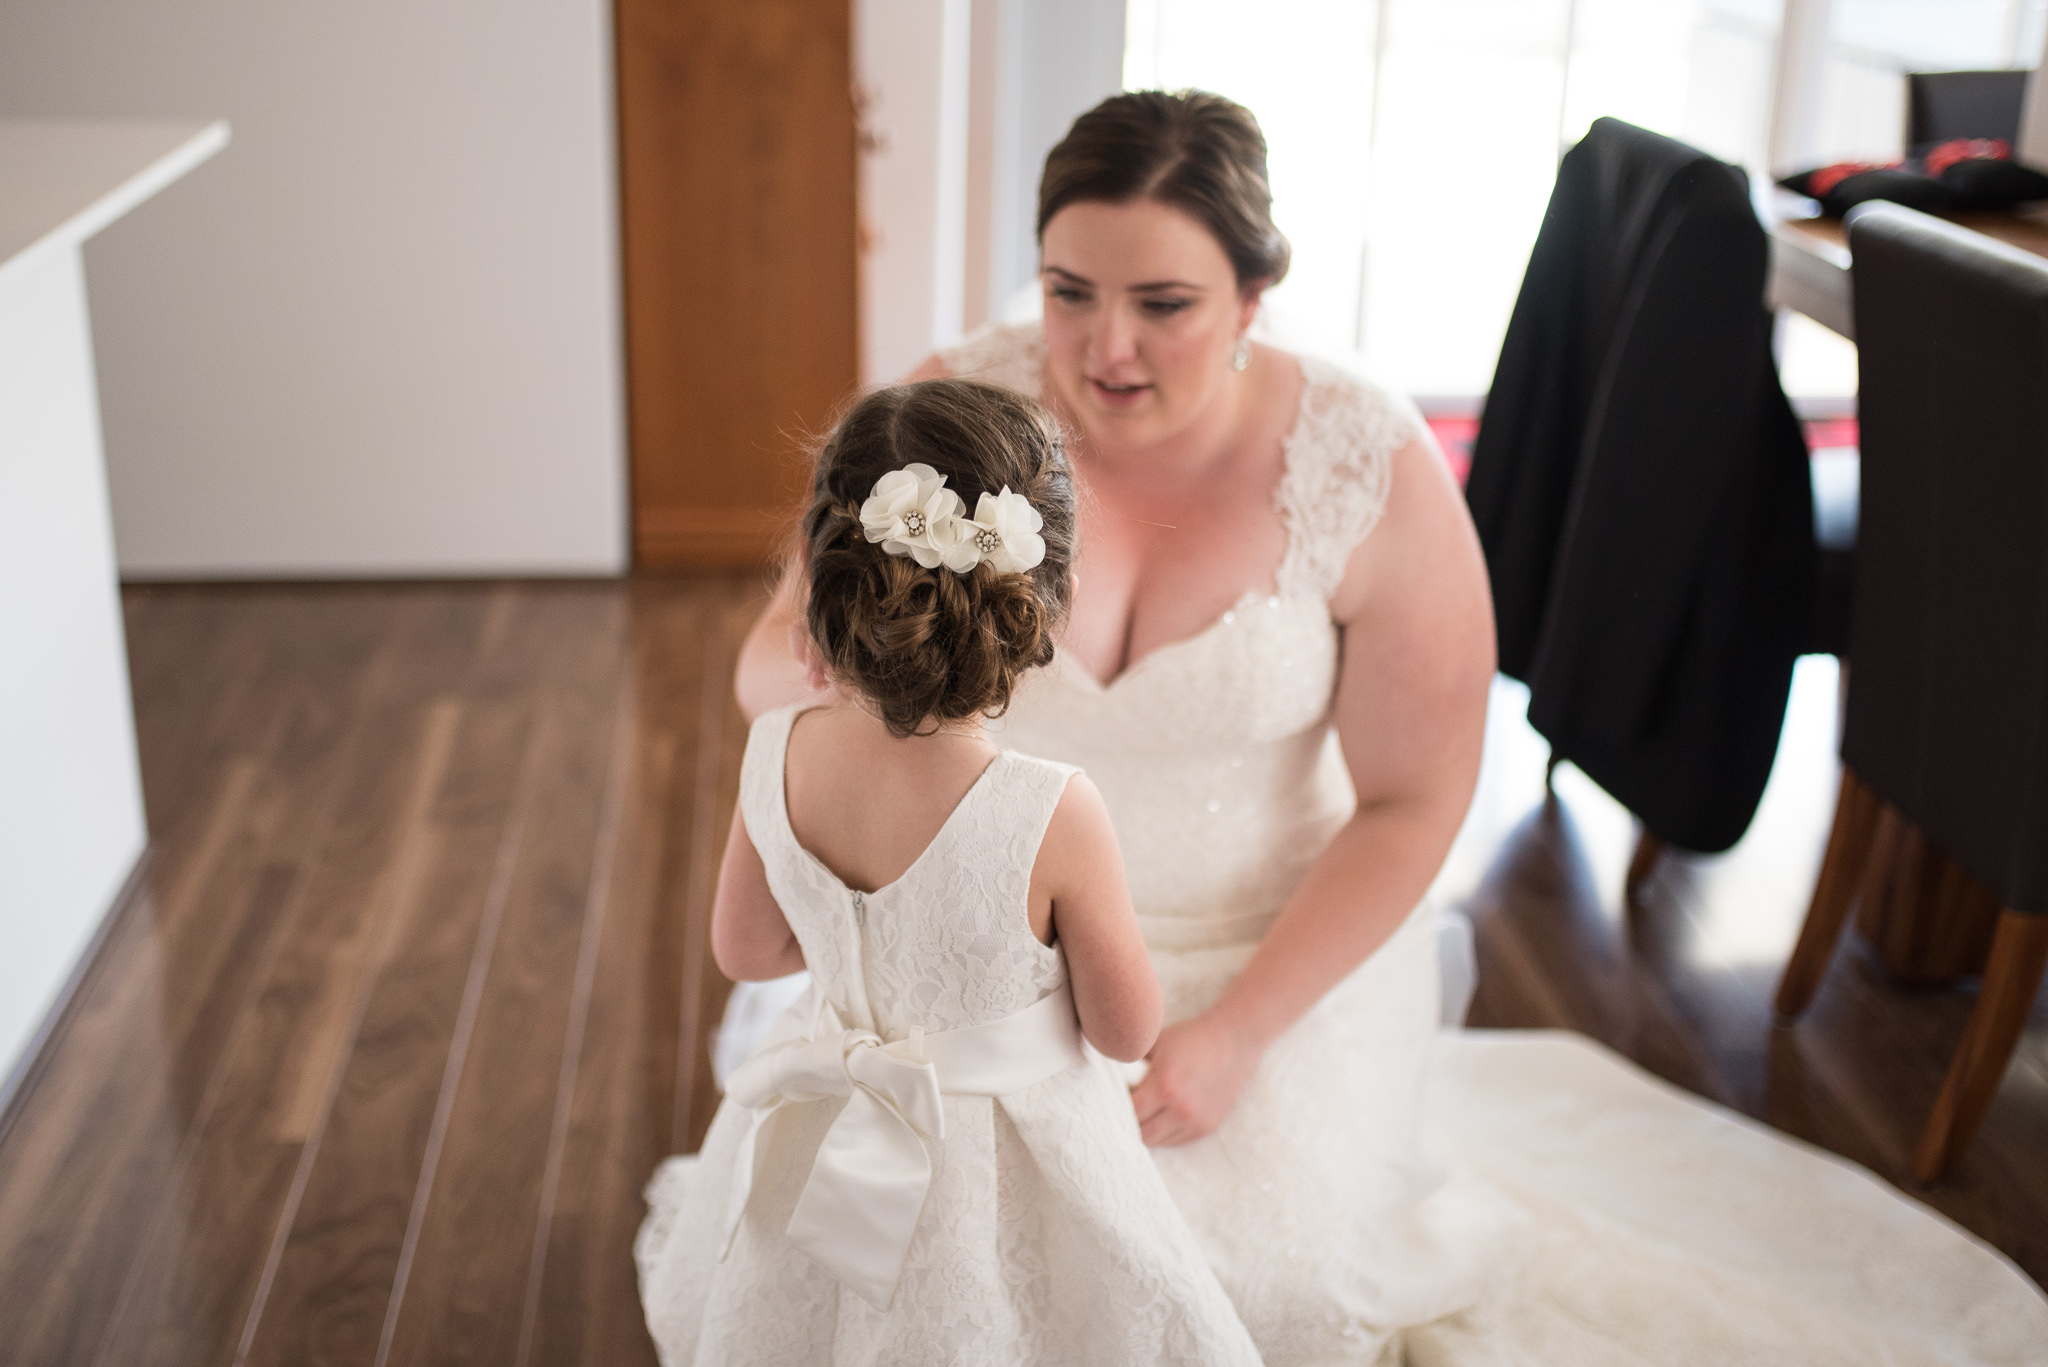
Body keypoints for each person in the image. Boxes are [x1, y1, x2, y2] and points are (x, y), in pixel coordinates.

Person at [719, 91, 2048, 1365]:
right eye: (1068, 291)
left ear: (1253, 297)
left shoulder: (1365, 459)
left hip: (1272, 947)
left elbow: (1417, 796)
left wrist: (1236, 1031)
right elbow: (774, 660)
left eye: (1163, 304)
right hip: (979, 944)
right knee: (897, 1270)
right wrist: (877, 780)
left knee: (1249, 1288)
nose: (1102, 348)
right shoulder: (956, 420)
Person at [635, 378, 1262, 1366]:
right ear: (1039, 599)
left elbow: (746, 948)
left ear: (818, 580)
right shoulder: (1051, 808)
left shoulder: (776, 751)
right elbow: (1125, 1025)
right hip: (1002, 1165)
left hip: (826, 1119)